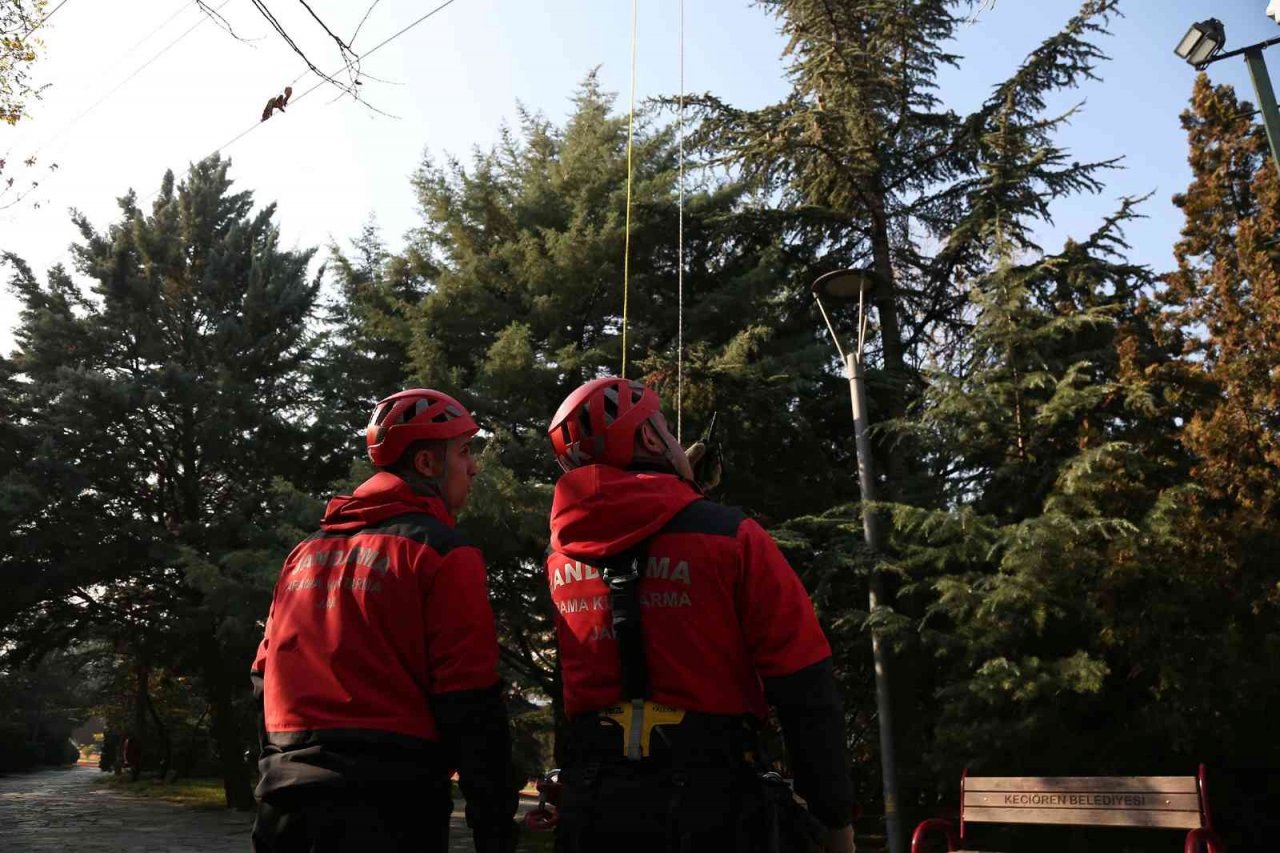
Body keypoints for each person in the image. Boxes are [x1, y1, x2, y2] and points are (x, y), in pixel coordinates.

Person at [543, 377, 856, 853]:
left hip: (595, 811)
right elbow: (805, 688)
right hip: (716, 809)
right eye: (664, 427)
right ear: (649, 439)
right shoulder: (732, 537)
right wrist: (834, 821)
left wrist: (681, 488)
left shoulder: (561, 559)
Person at [250, 388, 518, 853]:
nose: (474, 467)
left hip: (287, 805)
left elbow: (263, 675)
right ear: (427, 465)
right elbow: (471, 700)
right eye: (464, 451)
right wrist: (494, 826)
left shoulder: (302, 555)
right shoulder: (442, 554)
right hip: (391, 807)